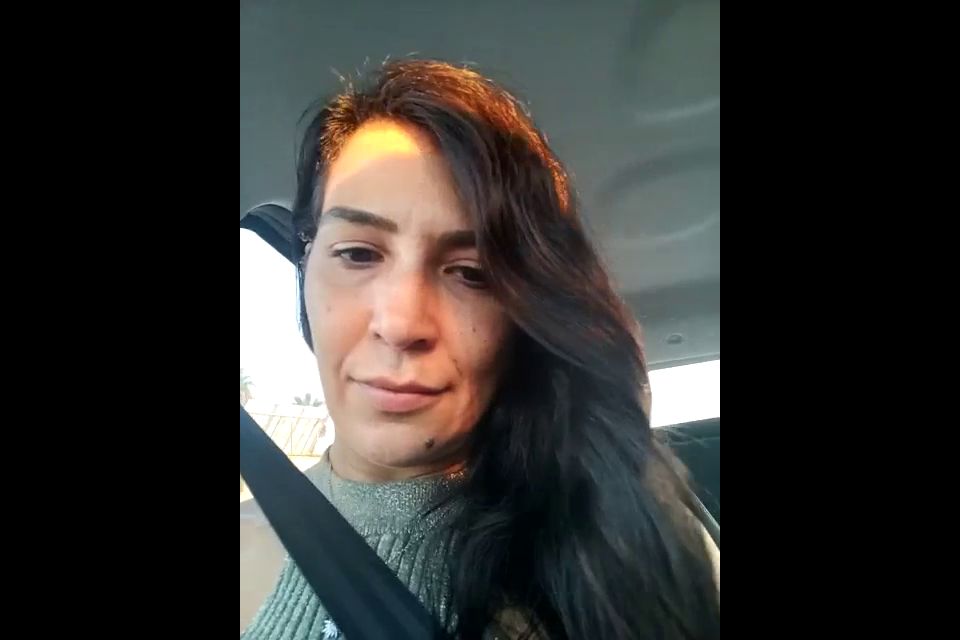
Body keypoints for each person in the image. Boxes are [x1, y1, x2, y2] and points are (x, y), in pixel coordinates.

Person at [241, 59, 719, 640]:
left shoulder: (632, 550)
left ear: (523, 317)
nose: (400, 324)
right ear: (306, 267)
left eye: (471, 273)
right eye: (358, 254)